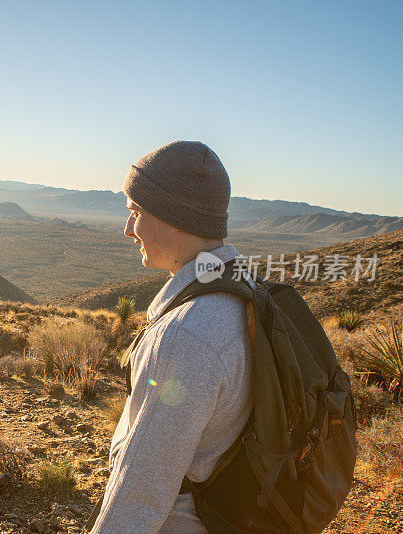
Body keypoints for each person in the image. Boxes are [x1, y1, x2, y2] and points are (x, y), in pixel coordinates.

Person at [88, 141, 255, 533]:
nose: (127, 229)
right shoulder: (244, 292)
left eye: (136, 212)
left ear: (175, 215)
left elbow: (141, 494)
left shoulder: (187, 335)